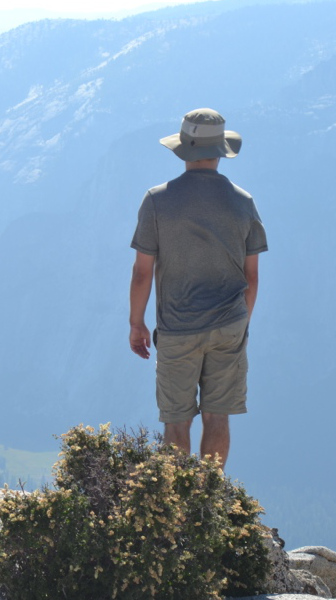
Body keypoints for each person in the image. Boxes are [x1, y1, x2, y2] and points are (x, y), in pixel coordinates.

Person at [129, 108, 268, 469]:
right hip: (229, 324)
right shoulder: (244, 202)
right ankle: (210, 503)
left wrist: (136, 323)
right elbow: (251, 277)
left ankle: (177, 509)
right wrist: (242, 326)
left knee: (176, 420)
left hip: (178, 327)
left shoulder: (157, 201)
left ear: (183, 148)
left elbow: (143, 272)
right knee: (217, 416)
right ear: (221, 150)